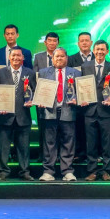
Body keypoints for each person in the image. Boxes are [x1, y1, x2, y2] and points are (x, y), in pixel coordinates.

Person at [37, 48, 80, 182]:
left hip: (68, 111)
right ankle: (48, 171)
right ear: (52, 58)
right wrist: (40, 101)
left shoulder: (76, 73)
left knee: (68, 142)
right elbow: (40, 91)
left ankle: (67, 171)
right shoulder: (44, 72)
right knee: (49, 142)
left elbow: (81, 92)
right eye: (57, 56)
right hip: (50, 112)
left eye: (62, 56)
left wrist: (77, 99)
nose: (59, 59)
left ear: (66, 58)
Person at [0, 48, 36, 181]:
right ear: (9, 57)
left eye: (18, 55)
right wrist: (0, 106)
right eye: (13, 55)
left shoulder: (30, 73)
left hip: (23, 116)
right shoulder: (0, 73)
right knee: (3, 147)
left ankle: (24, 172)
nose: (16, 58)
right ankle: (3, 172)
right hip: (4, 117)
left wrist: (32, 101)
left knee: (24, 147)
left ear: (23, 57)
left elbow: (35, 92)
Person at [80, 40, 110, 181]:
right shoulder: (85, 66)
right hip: (89, 111)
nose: (100, 52)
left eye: (102, 49)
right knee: (90, 143)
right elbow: (81, 87)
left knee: (106, 143)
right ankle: (92, 171)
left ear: (107, 51)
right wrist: (82, 99)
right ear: (93, 50)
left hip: (106, 111)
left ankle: (106, 171)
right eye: (97, 49)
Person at [32, 32, 61, 163]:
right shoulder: (38, 57)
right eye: (49, 41)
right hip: (43, 98)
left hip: (59, 99)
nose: (52, 43)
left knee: (59, 128)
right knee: (42, 127)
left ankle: (58, 155)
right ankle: (42, 154)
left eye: (54, 41)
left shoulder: (63, 56)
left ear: (58, 43)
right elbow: (35, 77)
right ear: (45, 42)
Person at [67, 31, 93, 160]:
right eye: (82, 40)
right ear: (78, 43)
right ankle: (79, 153)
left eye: (87, 40)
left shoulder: (98, 57)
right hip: (76, 100)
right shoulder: (71, 59)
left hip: (94, 100)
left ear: (91, 43)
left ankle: (93, 153)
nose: (84, 43)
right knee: (78, 127)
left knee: (93, 129)